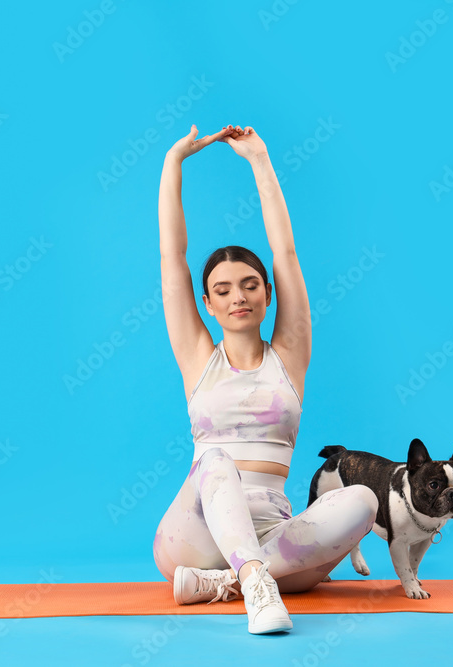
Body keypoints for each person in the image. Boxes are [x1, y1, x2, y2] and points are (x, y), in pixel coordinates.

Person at [152, 124, 379, 635]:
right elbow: (173, 261)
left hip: (276, 531)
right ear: (206, 305)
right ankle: (253, 583)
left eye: (251, 285)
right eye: (224, 289)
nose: (239, 296)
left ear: (268, 294)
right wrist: (174, 161)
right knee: (215, 459)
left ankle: (220, 584)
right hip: (195, 536)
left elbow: (287, 255)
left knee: (364, 498)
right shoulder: (198, 359)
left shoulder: (289, 358)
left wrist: (260, 161)